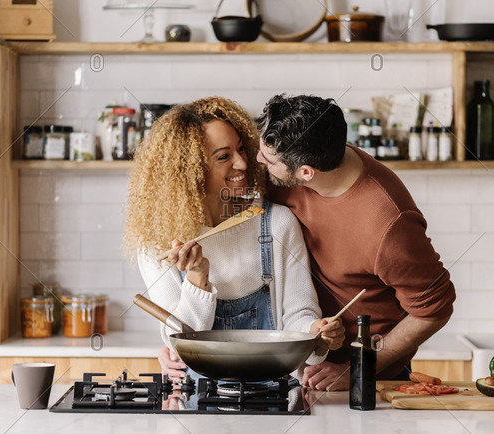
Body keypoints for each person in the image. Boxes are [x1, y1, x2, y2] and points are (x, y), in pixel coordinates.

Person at [124, 96, 344, 382]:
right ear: (188, 172)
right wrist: (197, 278)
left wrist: (316, 334)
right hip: (196, 399)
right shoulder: (158, 242)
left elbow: (298, 315)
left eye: (241, 149)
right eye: (223, 156)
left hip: (274, 394)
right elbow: (177, 341)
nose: (243, 162)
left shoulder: (276, 223)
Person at [253, 94, 456, 391]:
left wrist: (355, 371)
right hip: (293, 362)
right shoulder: (307, 152)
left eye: (268, 161)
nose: (257, 161)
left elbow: (433, 311)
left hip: (359, 379)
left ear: (306, 173)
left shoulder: (389, 224)